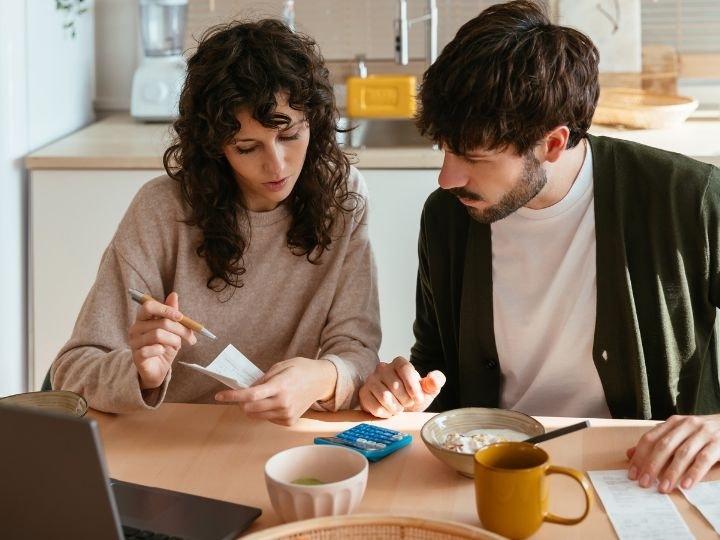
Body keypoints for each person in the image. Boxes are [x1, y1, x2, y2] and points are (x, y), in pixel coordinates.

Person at [359, 0, 720, 493]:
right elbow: (436, 358)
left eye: (472, 157)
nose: (447, 177)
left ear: (552, 143)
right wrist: (406, 390)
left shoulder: (687, 199)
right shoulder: (448, 217)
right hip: (493, 475)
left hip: (643, 474)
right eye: (443, 149)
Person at [51, 19, 381, 426]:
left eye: (290, 135)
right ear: (215, 146)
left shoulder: (342, 197)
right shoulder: (162, 210)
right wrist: (139, 373)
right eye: (247, 147)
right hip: (170, 437)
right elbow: (72, 371)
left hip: (279, 441)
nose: (276, 165)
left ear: (314, 120)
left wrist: (322, 377)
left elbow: (359, 350)